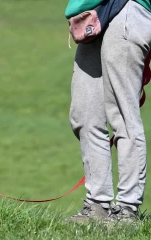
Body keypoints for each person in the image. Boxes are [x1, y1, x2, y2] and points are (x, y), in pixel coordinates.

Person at [68, 0, 151, 222]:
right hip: (92, 13)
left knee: (123, 116)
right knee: (84, 115)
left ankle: (127, 208)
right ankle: (97, 205)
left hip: (127, 10)